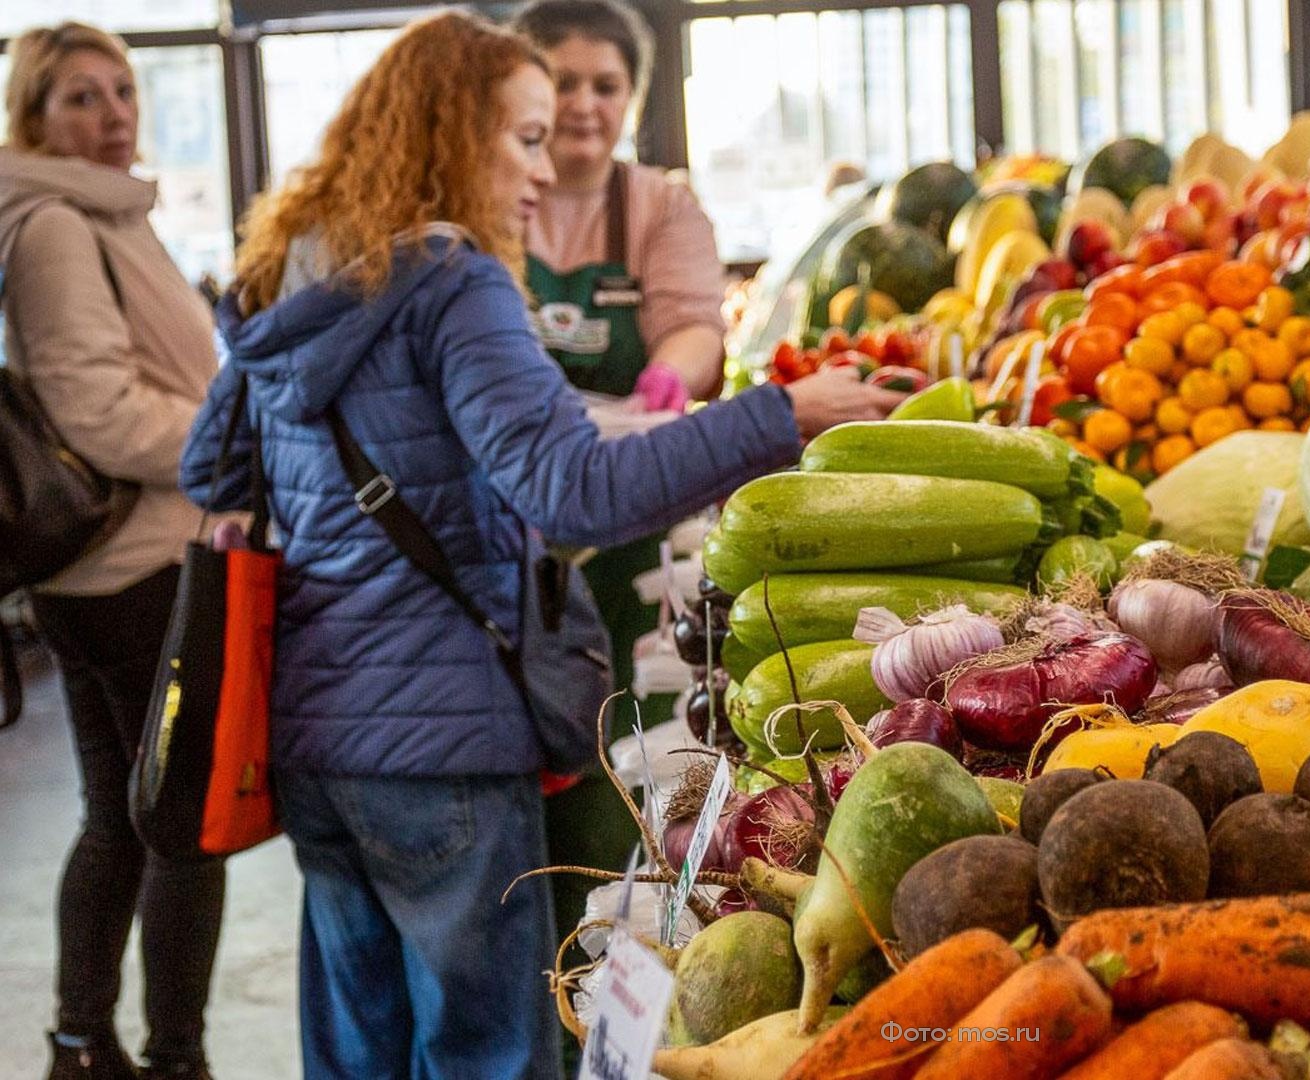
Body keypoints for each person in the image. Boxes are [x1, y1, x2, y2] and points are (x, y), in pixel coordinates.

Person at [176, 13, 898, 1078]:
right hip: (443, 741)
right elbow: (575, 490)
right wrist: (780, 416)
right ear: (449, 136)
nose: (542, 169)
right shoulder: (454, 281)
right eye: (521, 139)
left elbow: (210, 468)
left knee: (358, 1052)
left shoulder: (296, 273)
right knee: (488, 1053)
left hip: (314, 739)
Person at [0, 22, 225, 1080]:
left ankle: (81, 1044)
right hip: (135, 568)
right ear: (34, 117)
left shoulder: (103, 214)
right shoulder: (57, 226)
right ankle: (174, 1057)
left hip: (113, 566)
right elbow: (99, 412)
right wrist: (235, 442)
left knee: (121, 819)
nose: (111, 114)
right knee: (184, 825)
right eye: (80, 97)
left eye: (122, 91)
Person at [506, 0, 718, 991]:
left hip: (625, 540)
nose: (586, 105)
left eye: (608, 84)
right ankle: (522, 982)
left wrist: (669, 378)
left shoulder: (658, 206)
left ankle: (588, 983)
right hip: (510, 544)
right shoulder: (494, 200)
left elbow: (693, 321)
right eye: (564, 82)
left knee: (609, 760)